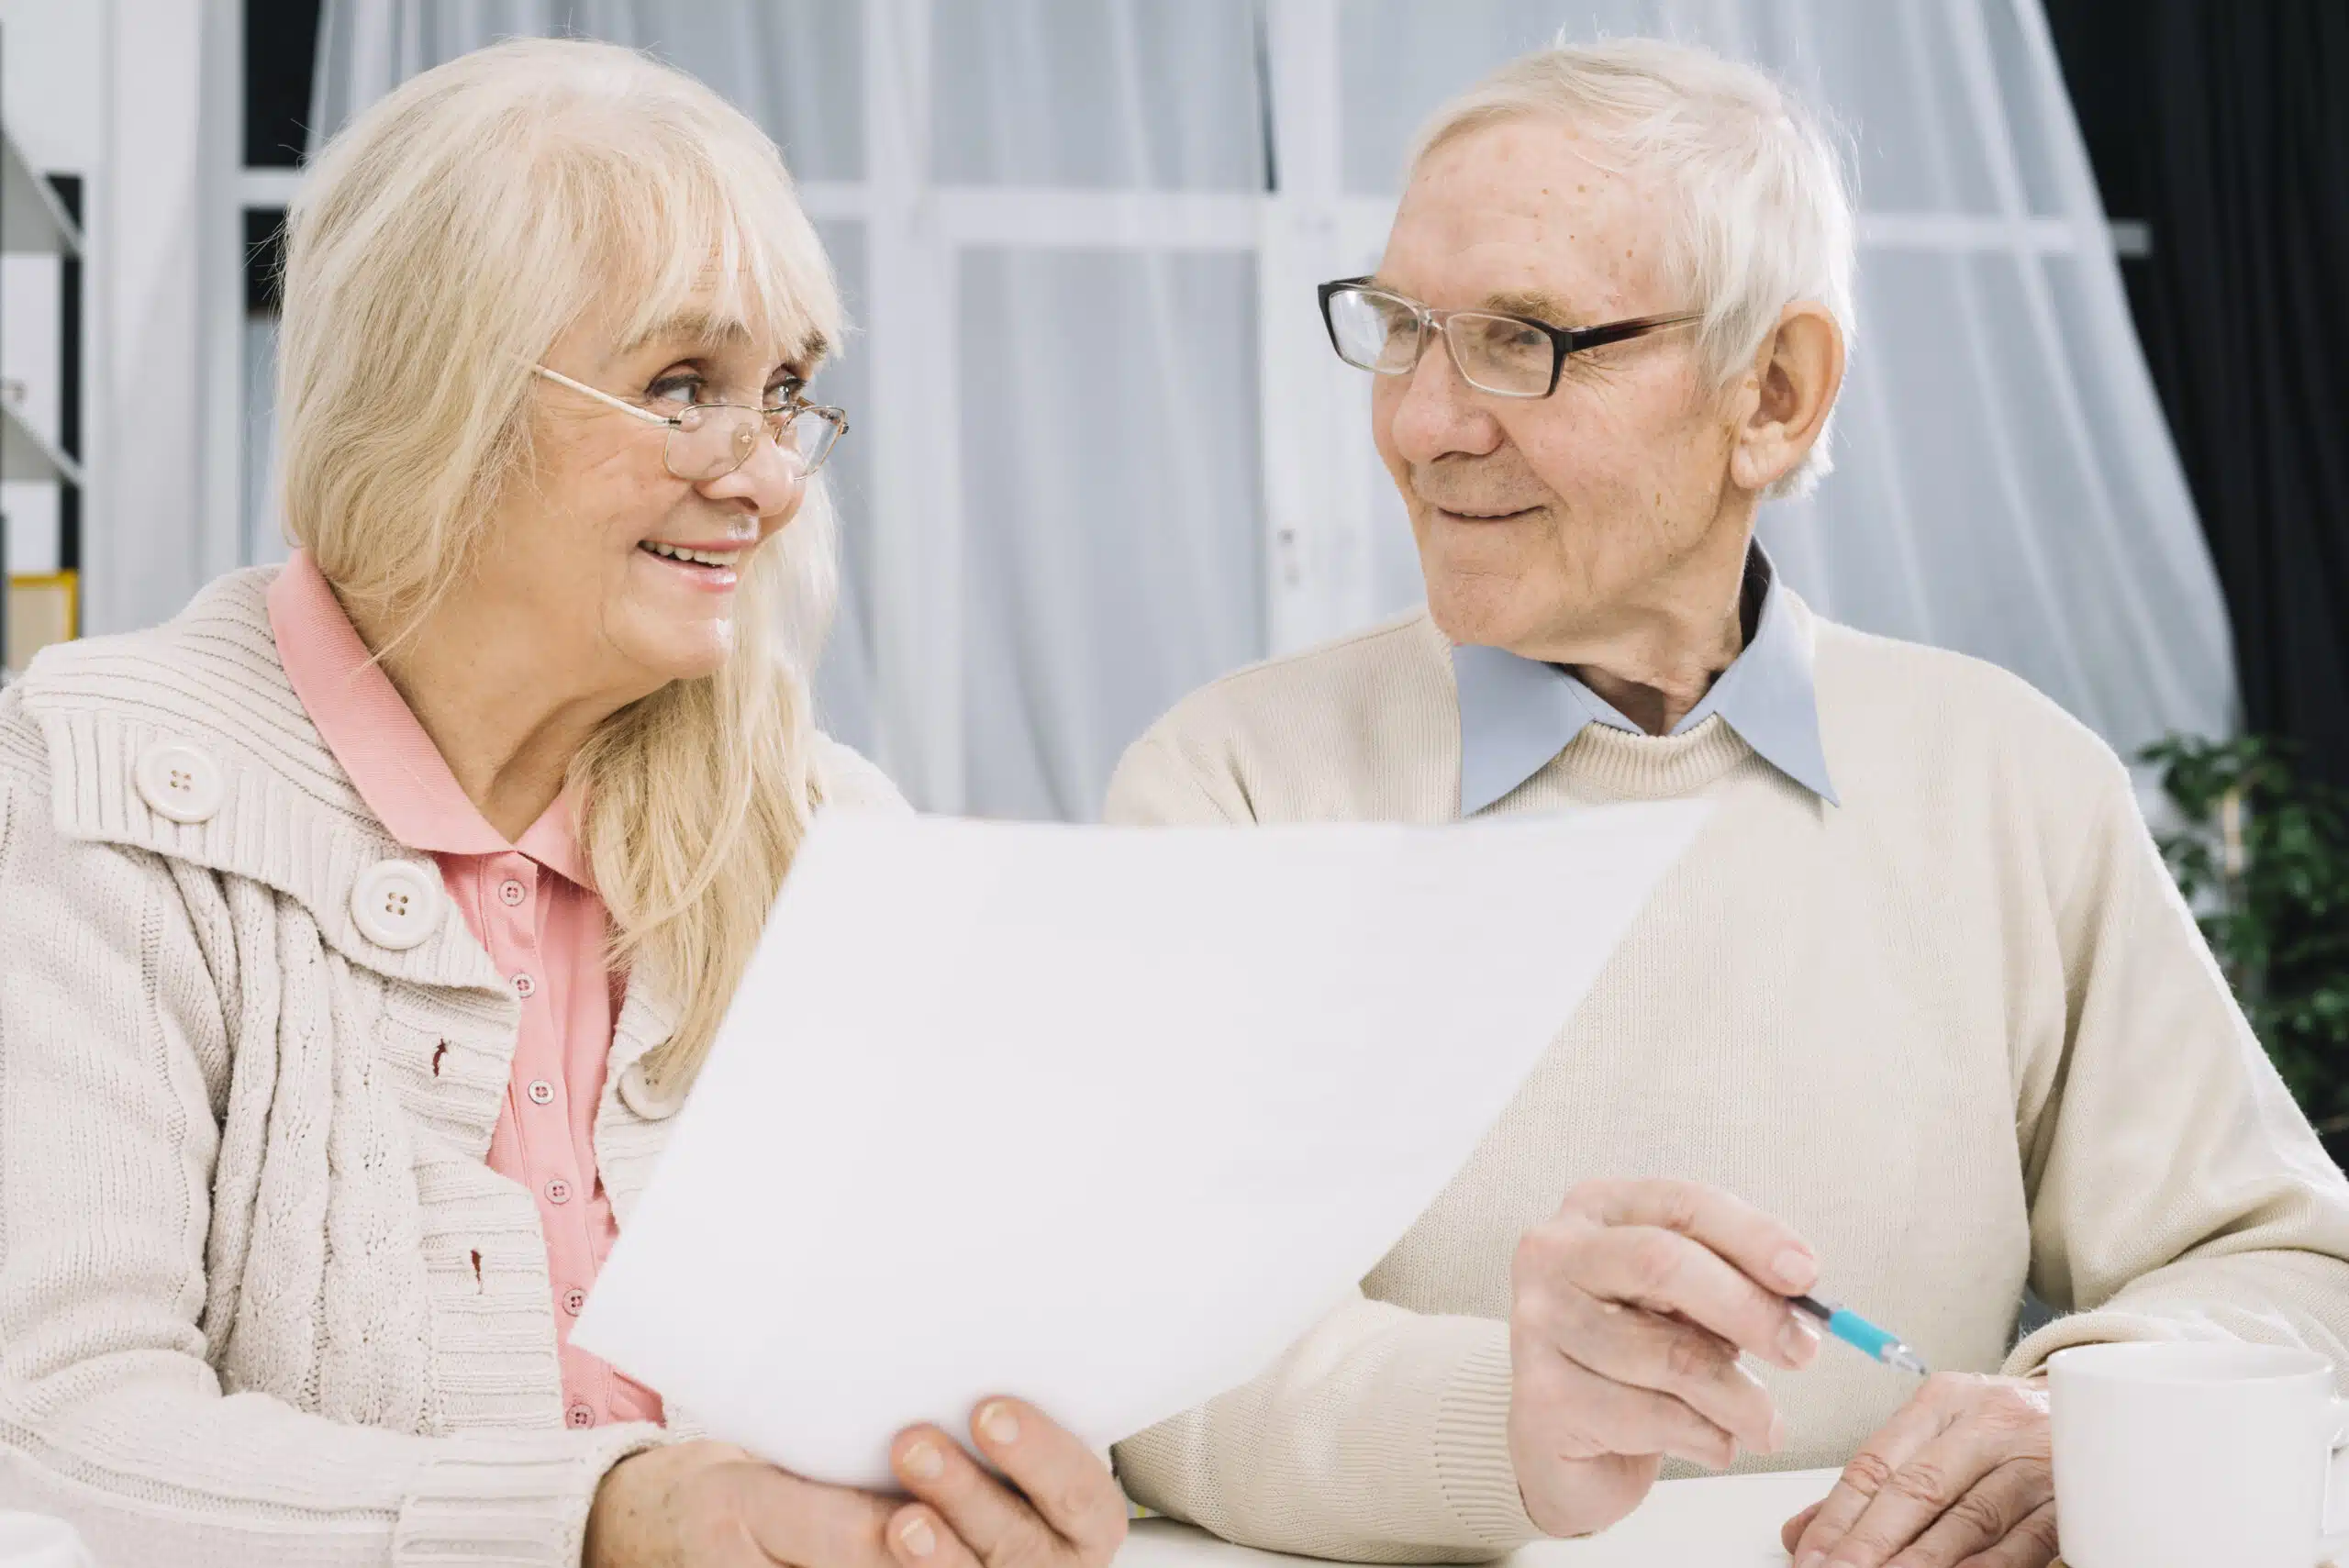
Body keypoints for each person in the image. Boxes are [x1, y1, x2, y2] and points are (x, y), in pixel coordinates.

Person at [1104, 37, 2349, 1568]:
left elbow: (2282, 1255)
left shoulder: (2009, 779)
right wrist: (1511, 1415)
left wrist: (2080, 1408)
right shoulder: (1230, 786)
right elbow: (1142, 1351)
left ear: (1774, 392)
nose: (1424, 421)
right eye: (1405, 329)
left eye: (1524, 340)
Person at [0, 39, 1129, 1568]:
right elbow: (53, 1430)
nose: (772, 481)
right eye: (685, 385)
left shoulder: (831, 832)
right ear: (436, 391)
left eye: (785, 395)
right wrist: (602, 1518)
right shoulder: (91, 790)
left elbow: (975, 1339)